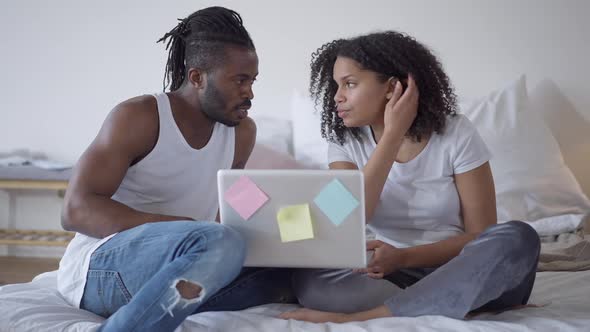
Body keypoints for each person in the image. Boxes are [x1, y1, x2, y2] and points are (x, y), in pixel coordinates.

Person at [58, 7, 294, 332]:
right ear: (197, 77)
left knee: (293, 271)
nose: (250, 93)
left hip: (181, 268)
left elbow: (232, 201)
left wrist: (286, 223)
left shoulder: (242, 133)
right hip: (102, 269)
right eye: (239, 81)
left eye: (252, 81)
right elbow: (75, 210)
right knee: (219, 241)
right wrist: (187, 231)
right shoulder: (139, 117)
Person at [281, 31, 540, 323]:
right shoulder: (344, 142)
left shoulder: (456, 133)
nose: (337, 97)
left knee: (518, 237)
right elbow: (350, 218)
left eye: (350, 84)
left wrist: (404, 257)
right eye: (336, 86)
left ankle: (375, 314)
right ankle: (448, 301)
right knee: (309, 276)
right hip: (386, 273)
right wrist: (391, 139)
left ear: (392, 88)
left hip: (459, 265)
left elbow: (480, 235)